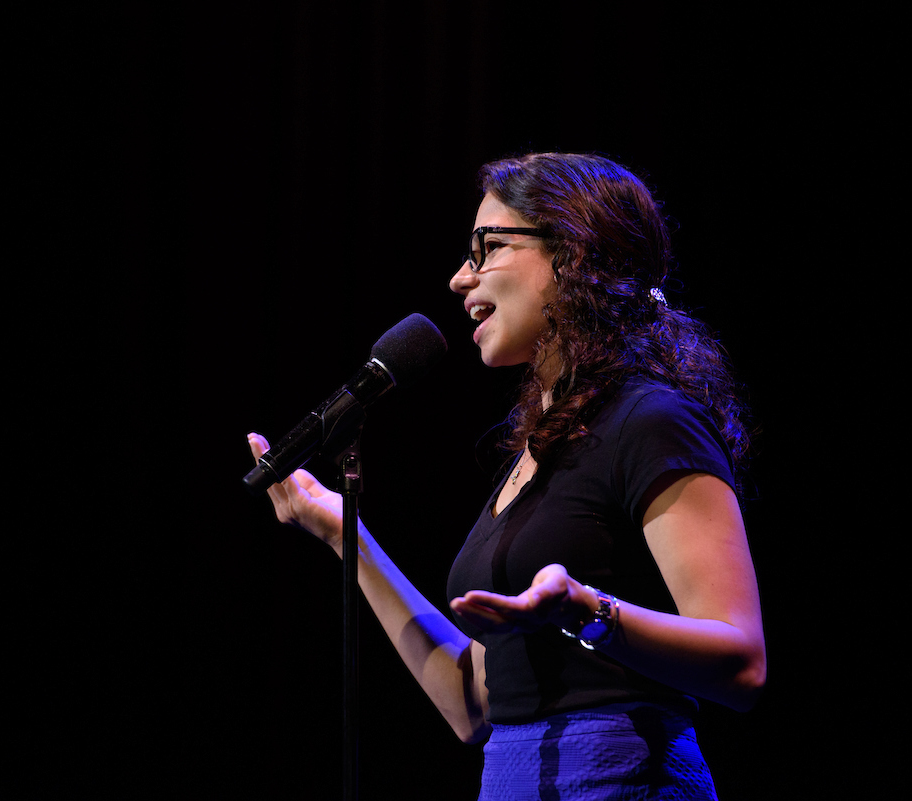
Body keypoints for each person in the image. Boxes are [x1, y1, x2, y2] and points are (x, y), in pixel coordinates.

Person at [249, 152, 765, 800]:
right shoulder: (537, 453)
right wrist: (339, 530)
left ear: (572, 253)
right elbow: (470, 701)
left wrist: (585, 608)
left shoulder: (652, 421)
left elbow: (742, 662)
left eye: (488, 248)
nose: (460, 278)